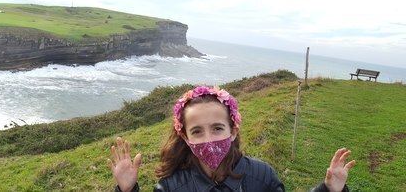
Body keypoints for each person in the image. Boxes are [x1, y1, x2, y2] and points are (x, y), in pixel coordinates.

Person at [108, 86, 355, 192]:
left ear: (233, 130)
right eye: (197, 131)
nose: (208, 140)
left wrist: (329, 190)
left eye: (217, 128)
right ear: (184, 136)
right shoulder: (171, 186)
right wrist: (127, 190)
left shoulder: (263, 176)